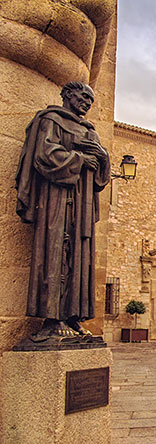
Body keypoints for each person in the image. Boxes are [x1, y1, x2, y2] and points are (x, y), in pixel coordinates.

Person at [15, 81, 110, 340]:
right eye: (83, 96)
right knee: (54, 249)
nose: (87, 103)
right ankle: (51, 318)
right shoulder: (51, 120)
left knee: (81, 256)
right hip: (56, 198)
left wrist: (102, 157)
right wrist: (80, 160)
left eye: (90, 100)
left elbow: (102, 178)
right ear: (67, 95)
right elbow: (44, 156)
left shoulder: (90, 131)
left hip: (82, 204)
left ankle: (73, 316)